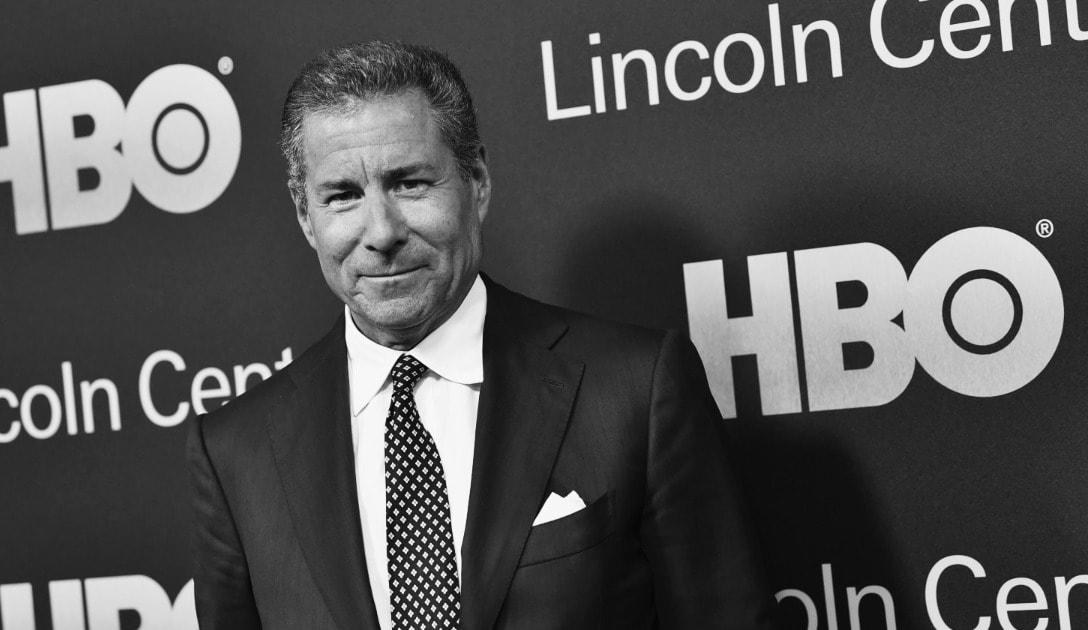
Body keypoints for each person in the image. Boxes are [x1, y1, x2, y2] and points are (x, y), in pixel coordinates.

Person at [187, 40, 775, 630]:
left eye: (410, 183)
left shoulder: (636, 390)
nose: (382, 232)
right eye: (343, 196)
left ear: (477, 182)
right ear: (305, 218)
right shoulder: (236, 452)